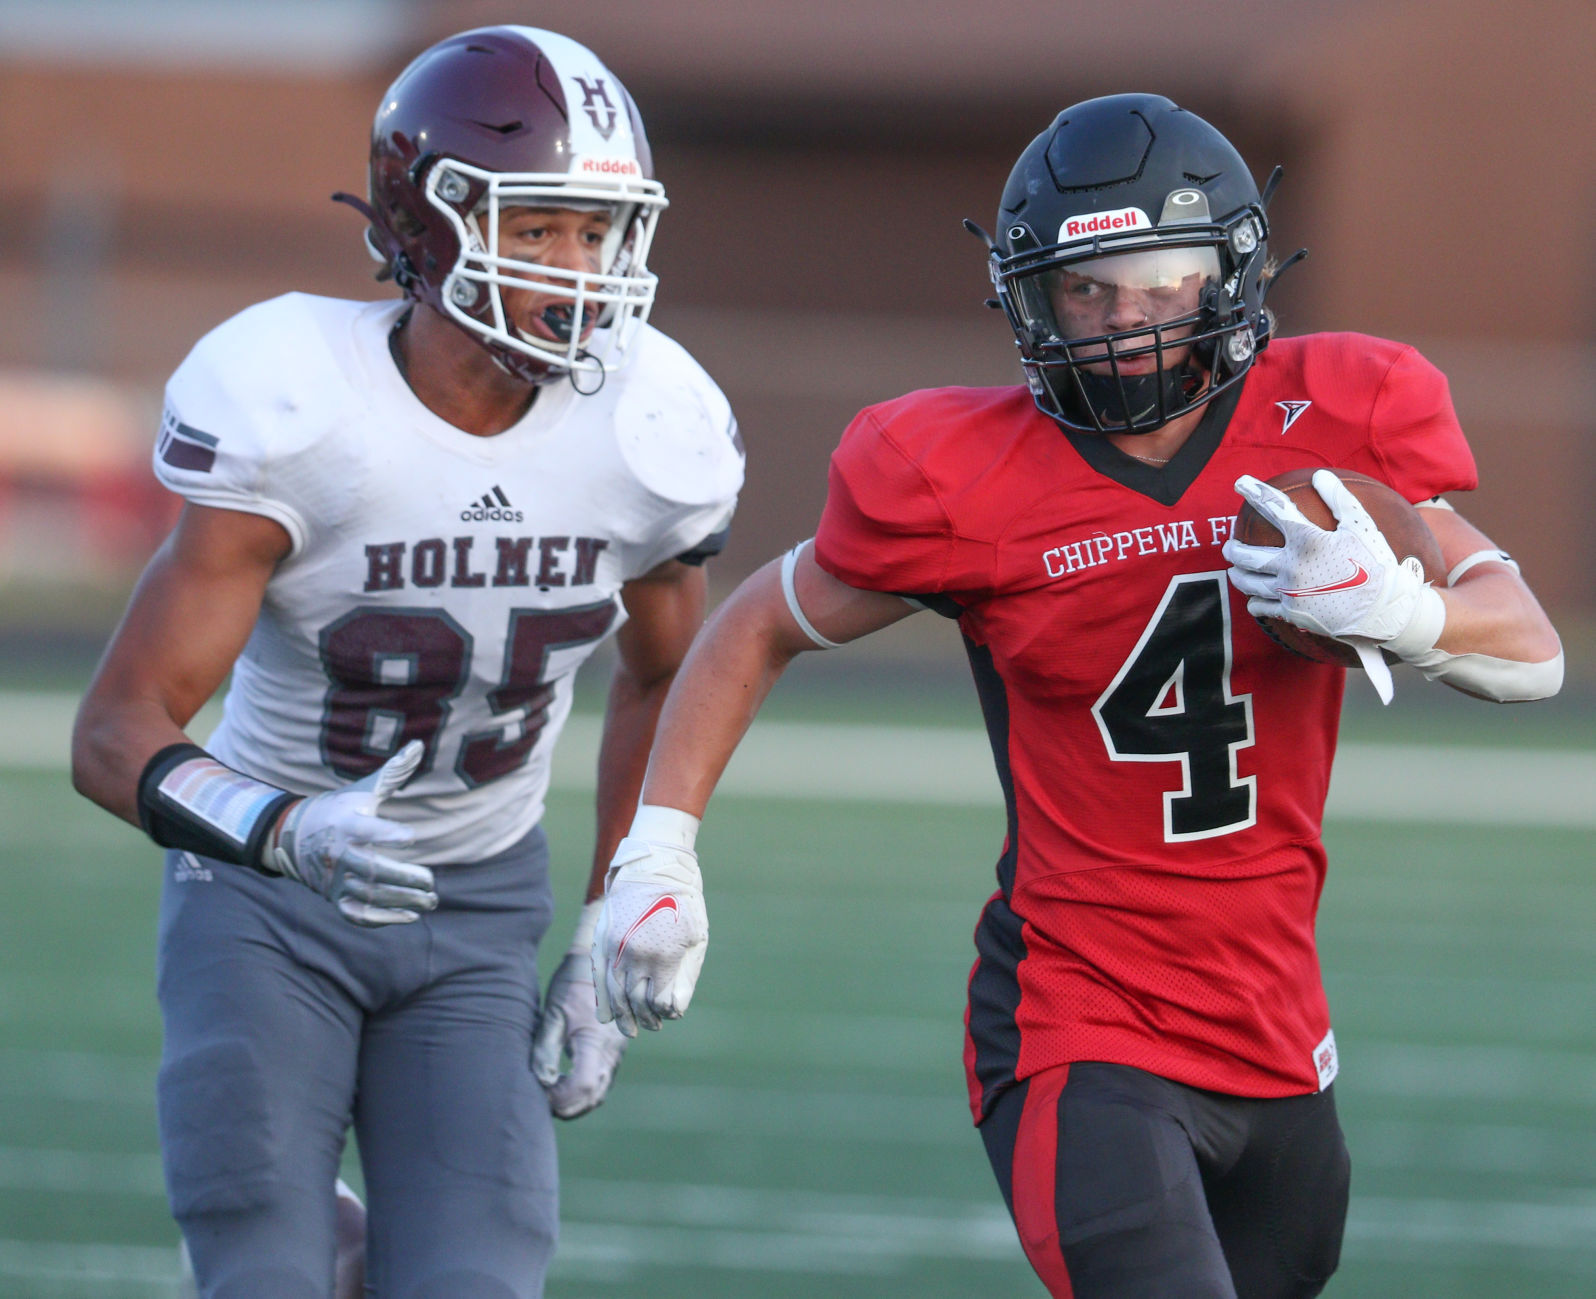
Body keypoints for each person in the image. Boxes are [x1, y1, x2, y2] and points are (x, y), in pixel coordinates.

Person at [586, 94, 1563, 1299]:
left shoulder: (1333, 431)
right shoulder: (961, 477)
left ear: (1230, 273)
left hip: (1278, 1034)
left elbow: (1532, 656)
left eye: (1155, 278)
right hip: (1075, 1023)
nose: (1120, 323)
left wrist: (1401, 613)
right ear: (1026, 299)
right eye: (1082, 289)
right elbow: (753, 625)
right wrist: (658, 856)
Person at [70, 25, 742, 1299]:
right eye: (537, 227)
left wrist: (617, 899)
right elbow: (116, 733)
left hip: (476, 911)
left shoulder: (654, 427)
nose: (577, 269)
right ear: (425, 224)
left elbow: (665, 671)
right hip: (263, 908)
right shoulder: (296, 403)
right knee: (261, 1274)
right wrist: (279, 832)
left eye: (597, 231)